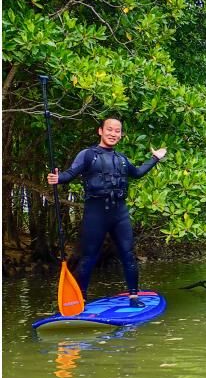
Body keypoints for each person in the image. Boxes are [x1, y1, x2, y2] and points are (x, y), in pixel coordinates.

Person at [47, 117, 167, 307]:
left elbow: (137, 173)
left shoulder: (121, 159)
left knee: (128, 254)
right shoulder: (87, 155)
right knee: (89, 257)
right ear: (100, 131)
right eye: (109, 129)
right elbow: (69, 174)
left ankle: (134, 296)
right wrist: (57, 178)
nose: (113, 134)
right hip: (95, 214)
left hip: (119, 213)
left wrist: (155, 158)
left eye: (117, 131)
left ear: (121, 135)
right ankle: (81, 299)